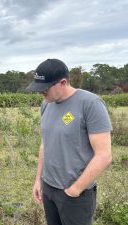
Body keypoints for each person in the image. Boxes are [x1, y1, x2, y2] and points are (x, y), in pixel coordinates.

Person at [27, 59, 112, 225]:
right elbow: (45, 143)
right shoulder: (46, 105)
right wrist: (39, 180)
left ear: (63, 82)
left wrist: (75, 190)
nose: (41, 94)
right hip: (49, 188)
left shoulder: (90, 104)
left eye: (44, 89)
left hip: (75, 195)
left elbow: (104, 155)